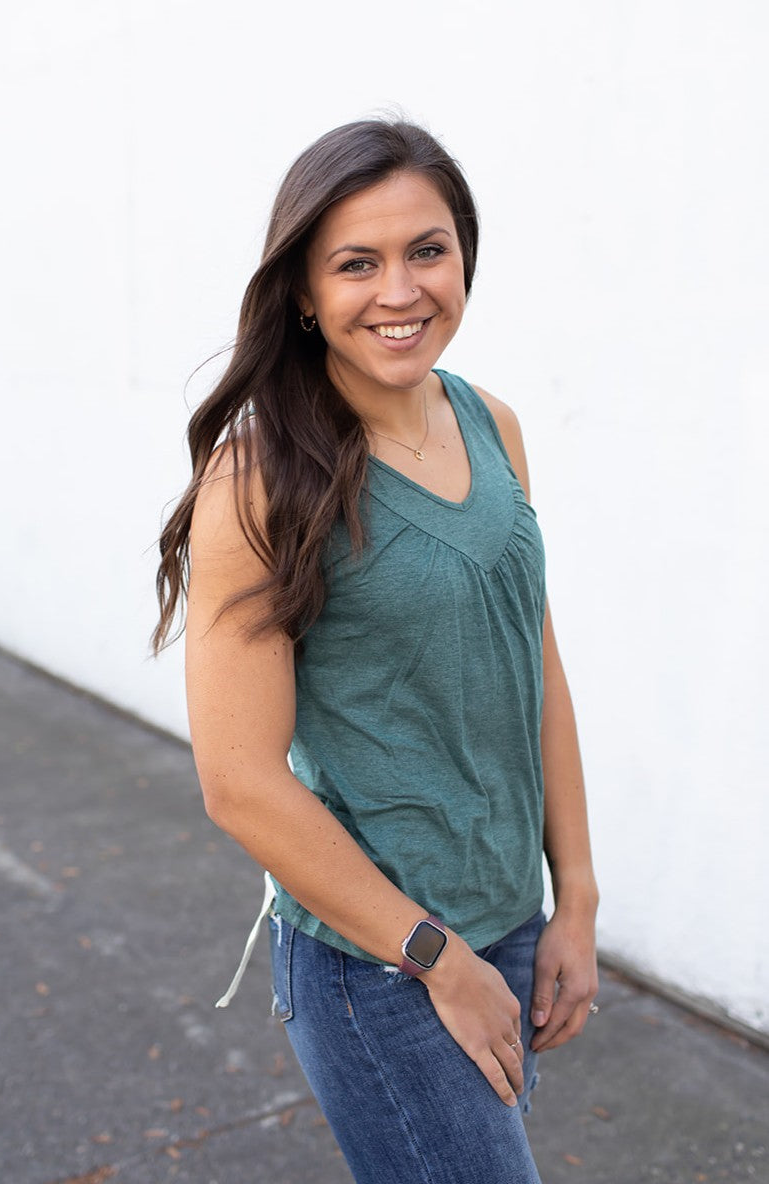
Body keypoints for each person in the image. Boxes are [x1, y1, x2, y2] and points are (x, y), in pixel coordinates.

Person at [153, 118, 599, 1184]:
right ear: (305, 292)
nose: (400, 290)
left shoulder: (491, 423)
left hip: (510, 927)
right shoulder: (259, 480)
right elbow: (239, 781)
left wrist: (576, 898)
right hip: (382, 962)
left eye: (427, 250)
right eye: (357, 263)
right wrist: (435, 956)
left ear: (463, 257)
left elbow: (533, 664)